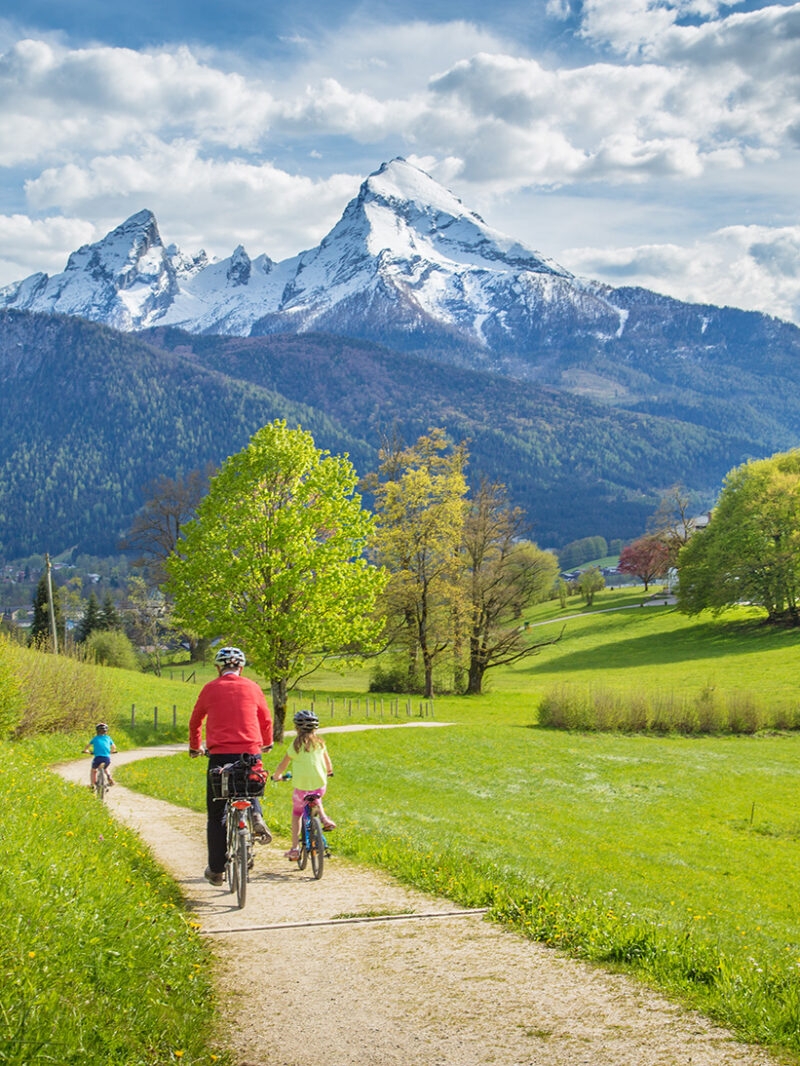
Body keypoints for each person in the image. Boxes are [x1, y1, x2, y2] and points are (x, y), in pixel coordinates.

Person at [189, 646, 274, 886]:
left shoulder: (210, 689)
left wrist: (196, 747)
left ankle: (217, 870)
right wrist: (266, 744)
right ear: (241, 667)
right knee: (249, 784)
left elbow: (196, 721)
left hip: (220, 757)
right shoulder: (253, 688)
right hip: (251, 753)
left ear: (218, 668)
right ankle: (256, 814)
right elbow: (266, 719)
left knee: (217, 814)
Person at [271, 709, 335, 861]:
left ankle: (294, 848)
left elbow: (283, 764)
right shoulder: (320, 744)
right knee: (316, 796)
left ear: (296, 728)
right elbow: (328, 763)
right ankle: (323, 817)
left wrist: (276, 776)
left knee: (297, 814)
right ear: (315, 728)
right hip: (320, 784)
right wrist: (330, 772)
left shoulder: (295, 746)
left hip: (301, 787)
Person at [82, 722, 117, 788]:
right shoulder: (108, 738)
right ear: (106, 731)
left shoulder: (95, 738)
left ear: (97, 731)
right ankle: (109, 777)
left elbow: (88, 746)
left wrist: (85, 750)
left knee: (93, 770)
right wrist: (111, 751)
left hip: (97, 758)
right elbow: (114, 747)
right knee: (105, 768)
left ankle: (92, 785)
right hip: (106, 758)